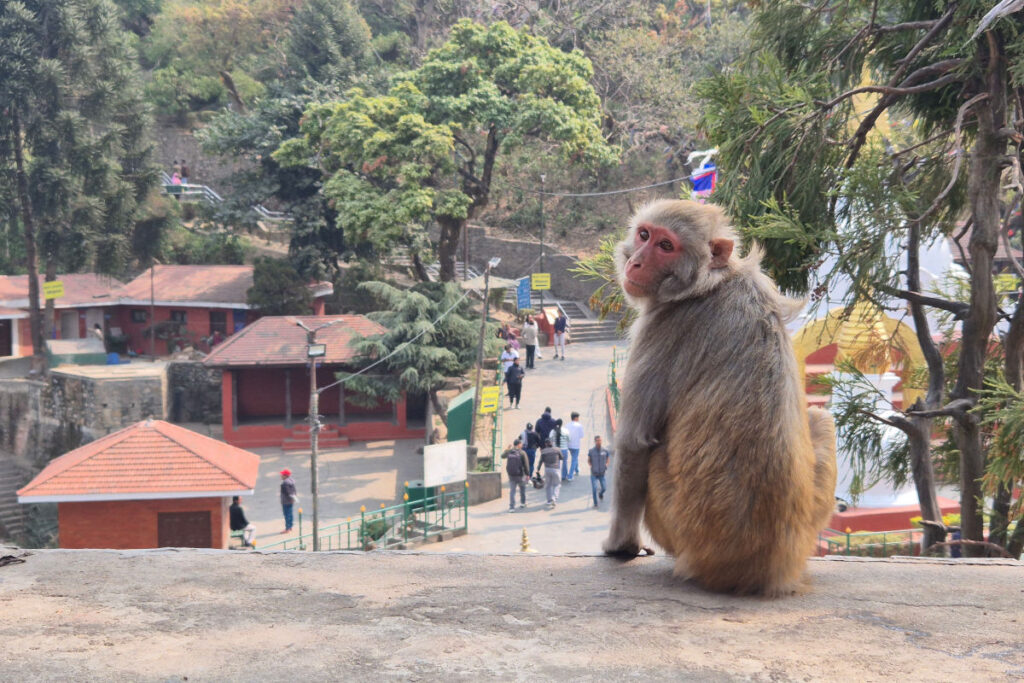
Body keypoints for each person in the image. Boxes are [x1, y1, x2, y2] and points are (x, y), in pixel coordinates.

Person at [501, 438, 529, 512]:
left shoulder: (510, 451)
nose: (522, 445)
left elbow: (502, 456)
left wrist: (507, 449)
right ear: (519, 444)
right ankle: (523, 503)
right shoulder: (522, 453)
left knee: (512, 491)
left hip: (511, 475)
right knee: (522, 489)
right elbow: (526, 464)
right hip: (520, 474)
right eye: (521, 443)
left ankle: (511, 507)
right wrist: (527, 474)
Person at [537, 438, 563, 508]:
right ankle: (554, 498)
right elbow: (562, 458)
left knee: (548, 486)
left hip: (547, 469)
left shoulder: (543, 451)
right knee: (557, 484)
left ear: (545, 444)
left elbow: (541, 461)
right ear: (552, 443)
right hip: (556, 469)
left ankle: (549, 501)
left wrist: (538, 469)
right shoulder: (557, 449)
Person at [588, 436, 611, 508]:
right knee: (594, 489)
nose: (599, 442)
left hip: (602, 473)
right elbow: (589, 460)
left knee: (604, 488)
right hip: (594, 473)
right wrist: (591, 466)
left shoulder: (605, 450)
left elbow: (608, 459)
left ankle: (600, 494)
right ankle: (595, 504)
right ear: (595, 441)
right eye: (597, 440)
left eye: (600, 440)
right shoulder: (591, 451)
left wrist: (606, 465)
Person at [567, 411, 584, 480]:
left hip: (569, 445)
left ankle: (577, 470)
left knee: (574, 457)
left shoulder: (567, 425)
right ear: (576, 418)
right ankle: (570, 475)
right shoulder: (579, 426)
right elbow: (582, 435)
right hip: (576, 445)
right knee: (574, 459)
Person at [279, 469, 297, 533]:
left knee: (286, 514)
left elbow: (287, 492)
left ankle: (287, 528)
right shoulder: (291, 481)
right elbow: (294, 491)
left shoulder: (285, 483)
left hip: (286, 501)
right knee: (290, 514)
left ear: (285, 476)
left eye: (282, 475)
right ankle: (290, 526)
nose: (281, 476)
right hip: (291, 501)